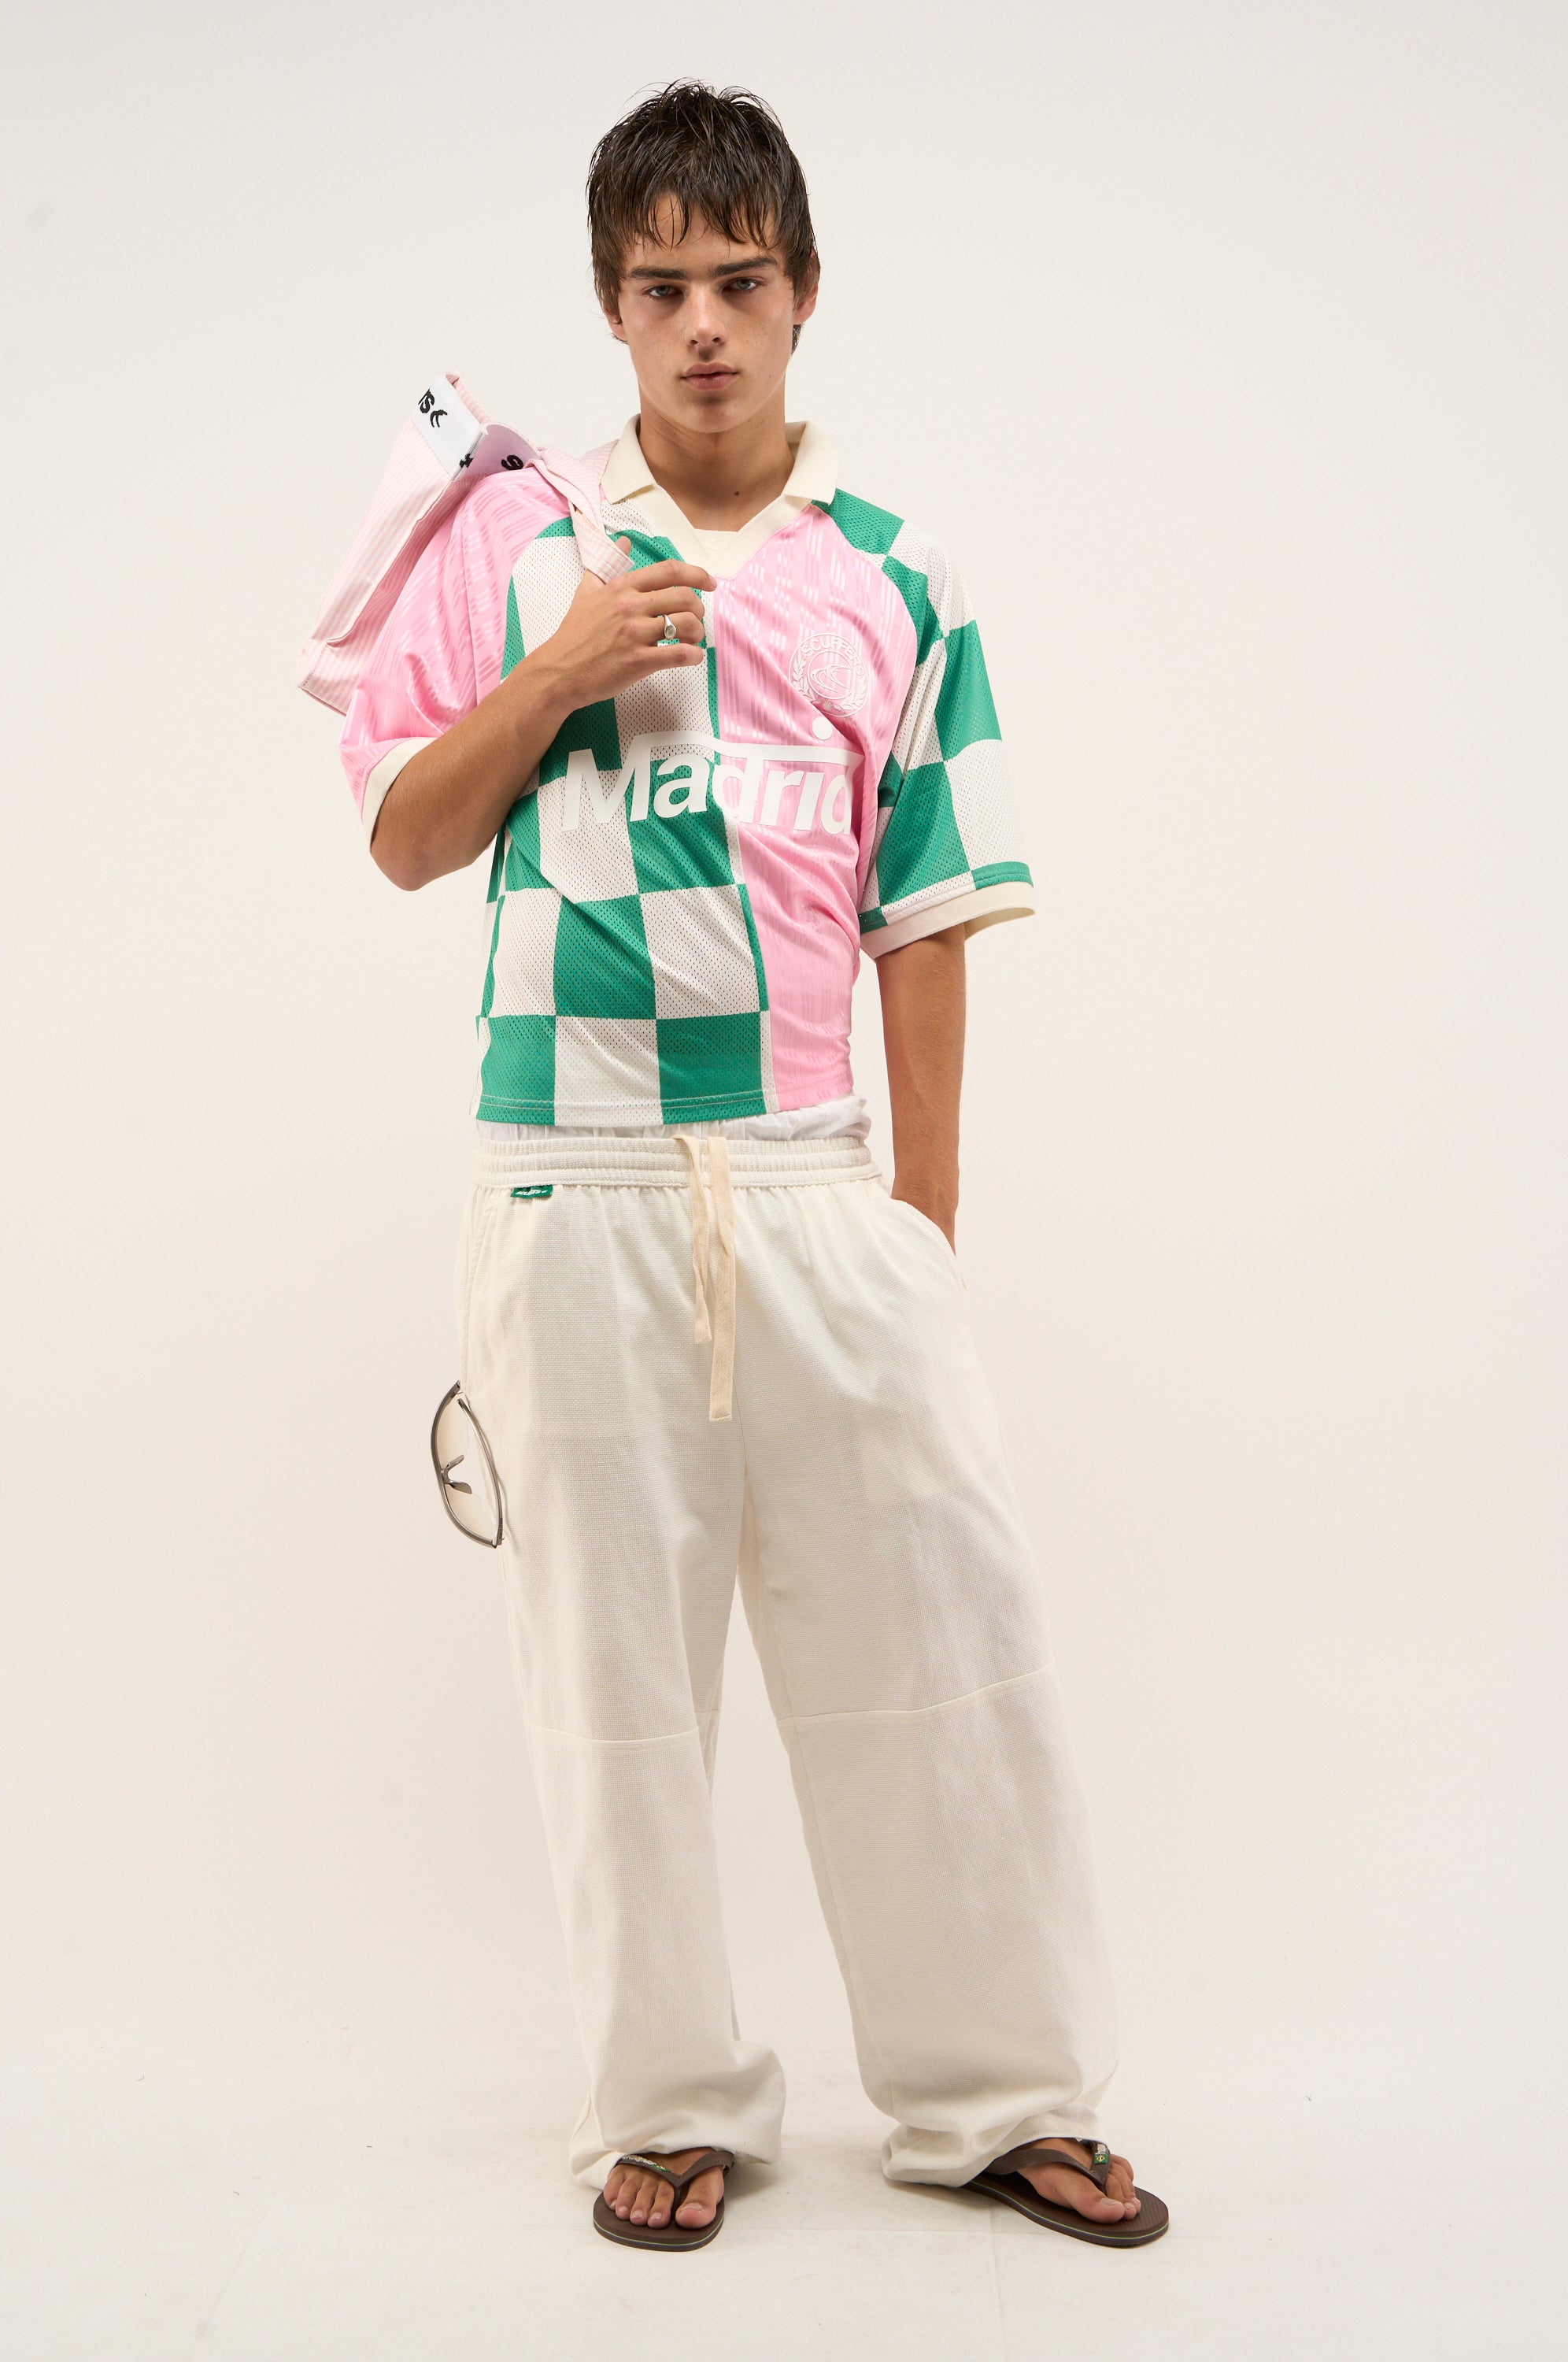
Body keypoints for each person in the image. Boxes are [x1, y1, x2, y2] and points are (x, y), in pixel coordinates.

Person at [338, 80, 1166, 2253]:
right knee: (610, 1679)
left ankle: (999, 2093)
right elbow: (406, 836)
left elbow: (928, 913)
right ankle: (669, 2099)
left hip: (813, 1180)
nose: (703, 323)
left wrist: (924, 1232)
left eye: (739, 281)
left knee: (941, 1636)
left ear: (804, 293)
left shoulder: (897, 571)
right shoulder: (515, 546)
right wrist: (558, 674)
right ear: (611, 311)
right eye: (661, 288)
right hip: (572, 1175)